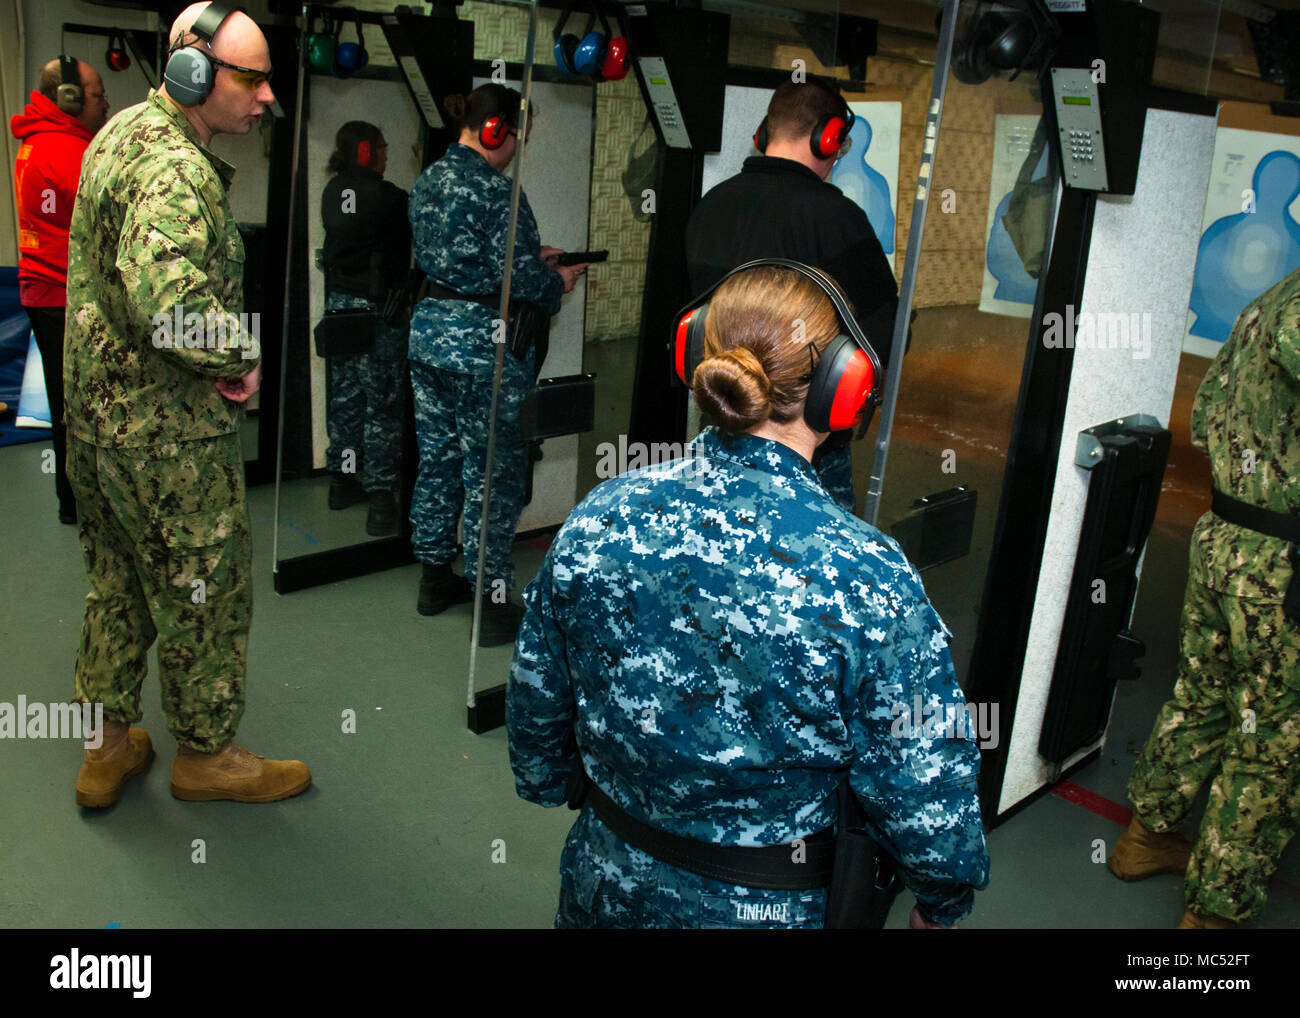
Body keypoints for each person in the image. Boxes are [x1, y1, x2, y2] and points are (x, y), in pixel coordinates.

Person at [506, 264, 988, 929]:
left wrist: (553, 782)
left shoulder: (601, 514)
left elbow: (537, 698)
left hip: (604, 880)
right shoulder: (868, 577)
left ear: (696, 351)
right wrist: (942, 901)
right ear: (842, 390)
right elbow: (923, 785)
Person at [65, 1, 310, 807]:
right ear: (194, 75)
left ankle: (105, 750)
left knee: (117, 582)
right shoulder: (174, 168)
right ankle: (206, 755)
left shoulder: (119, 135)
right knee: (206, 588)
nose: (268, 96)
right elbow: (164, 294)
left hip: (98, 427)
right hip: (164, 438)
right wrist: (239, 357)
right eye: (253, 78)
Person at [1108, 265, 1300, 929]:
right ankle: (1214, 914)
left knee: (1203, 696)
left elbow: (1208, 413)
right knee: (1272, 738)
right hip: (1280, 565)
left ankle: (1146, 837)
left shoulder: (1273, 297)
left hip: (1226, 538)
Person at [407, 83, 585, 643]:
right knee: (493, 472)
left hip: (431, 335)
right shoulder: (497, 191)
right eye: (516, 137)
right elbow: (522, 280)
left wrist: (531, 259)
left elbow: (466, 258)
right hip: (483, 347)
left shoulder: (427, 179)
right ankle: (493, 599)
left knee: (438, 458)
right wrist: (557, 278)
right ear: (495, 131)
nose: (515, 149)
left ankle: (435, 578)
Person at [684, 77, 899, 514]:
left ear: (763, 135)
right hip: (807, 444)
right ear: (829, 137)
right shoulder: (837, 217)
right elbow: (882, 334)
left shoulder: (710, 206)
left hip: (722, 420)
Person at [10, 56, 112, 524]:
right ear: (68, 100)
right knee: (79, 405)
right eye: (96, 95)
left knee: (68, 401)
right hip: (62, 295)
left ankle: (75, 501)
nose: (105, 103)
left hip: (48, 292)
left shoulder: (46, 140)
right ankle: (80, 502)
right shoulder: (63, 150)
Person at [319, 120, 412, 536]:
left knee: (345, 397)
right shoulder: (387, 197)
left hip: (340, 308)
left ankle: (342, 482)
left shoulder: (332, 191)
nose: (386, 155)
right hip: (377, 311)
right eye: (382, 147)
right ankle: (380, 501)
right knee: (382, 406)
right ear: (364, 152)